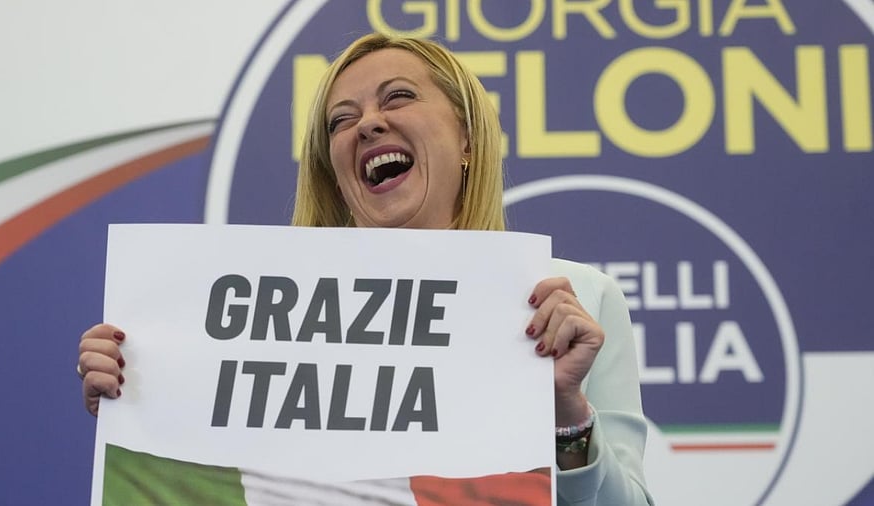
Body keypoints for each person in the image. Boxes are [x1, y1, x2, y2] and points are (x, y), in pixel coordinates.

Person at [79, 33, 653, 505]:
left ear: (468, 139)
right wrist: (142, 398)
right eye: (340, 120)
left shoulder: (574, 299)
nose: (367, 125)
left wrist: (567, 416)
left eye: (398, 97)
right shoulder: (260, 317)